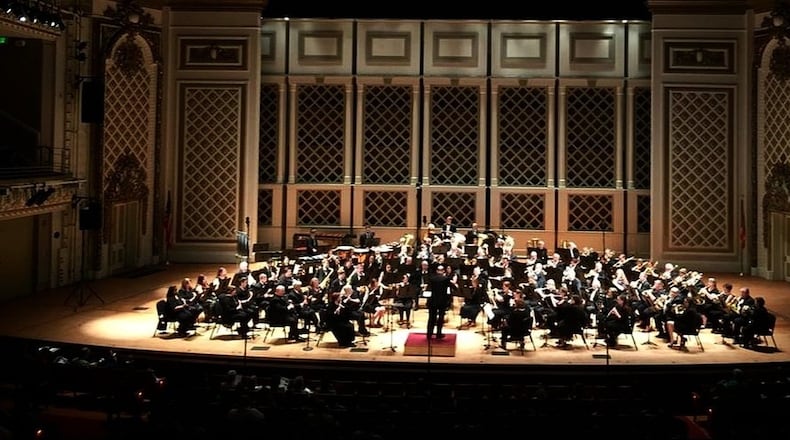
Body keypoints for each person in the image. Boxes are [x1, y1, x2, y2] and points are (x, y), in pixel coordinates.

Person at [426, 264, 453, 339]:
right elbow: (450, 289)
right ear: (443, 271)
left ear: (437, 271)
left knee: (431, 318)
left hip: (432, 300)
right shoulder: (446, 279)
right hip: (442, 301)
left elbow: (428, 289)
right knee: (440, 318)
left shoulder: (431, 278)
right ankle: (438, 334)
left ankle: (429, 334)